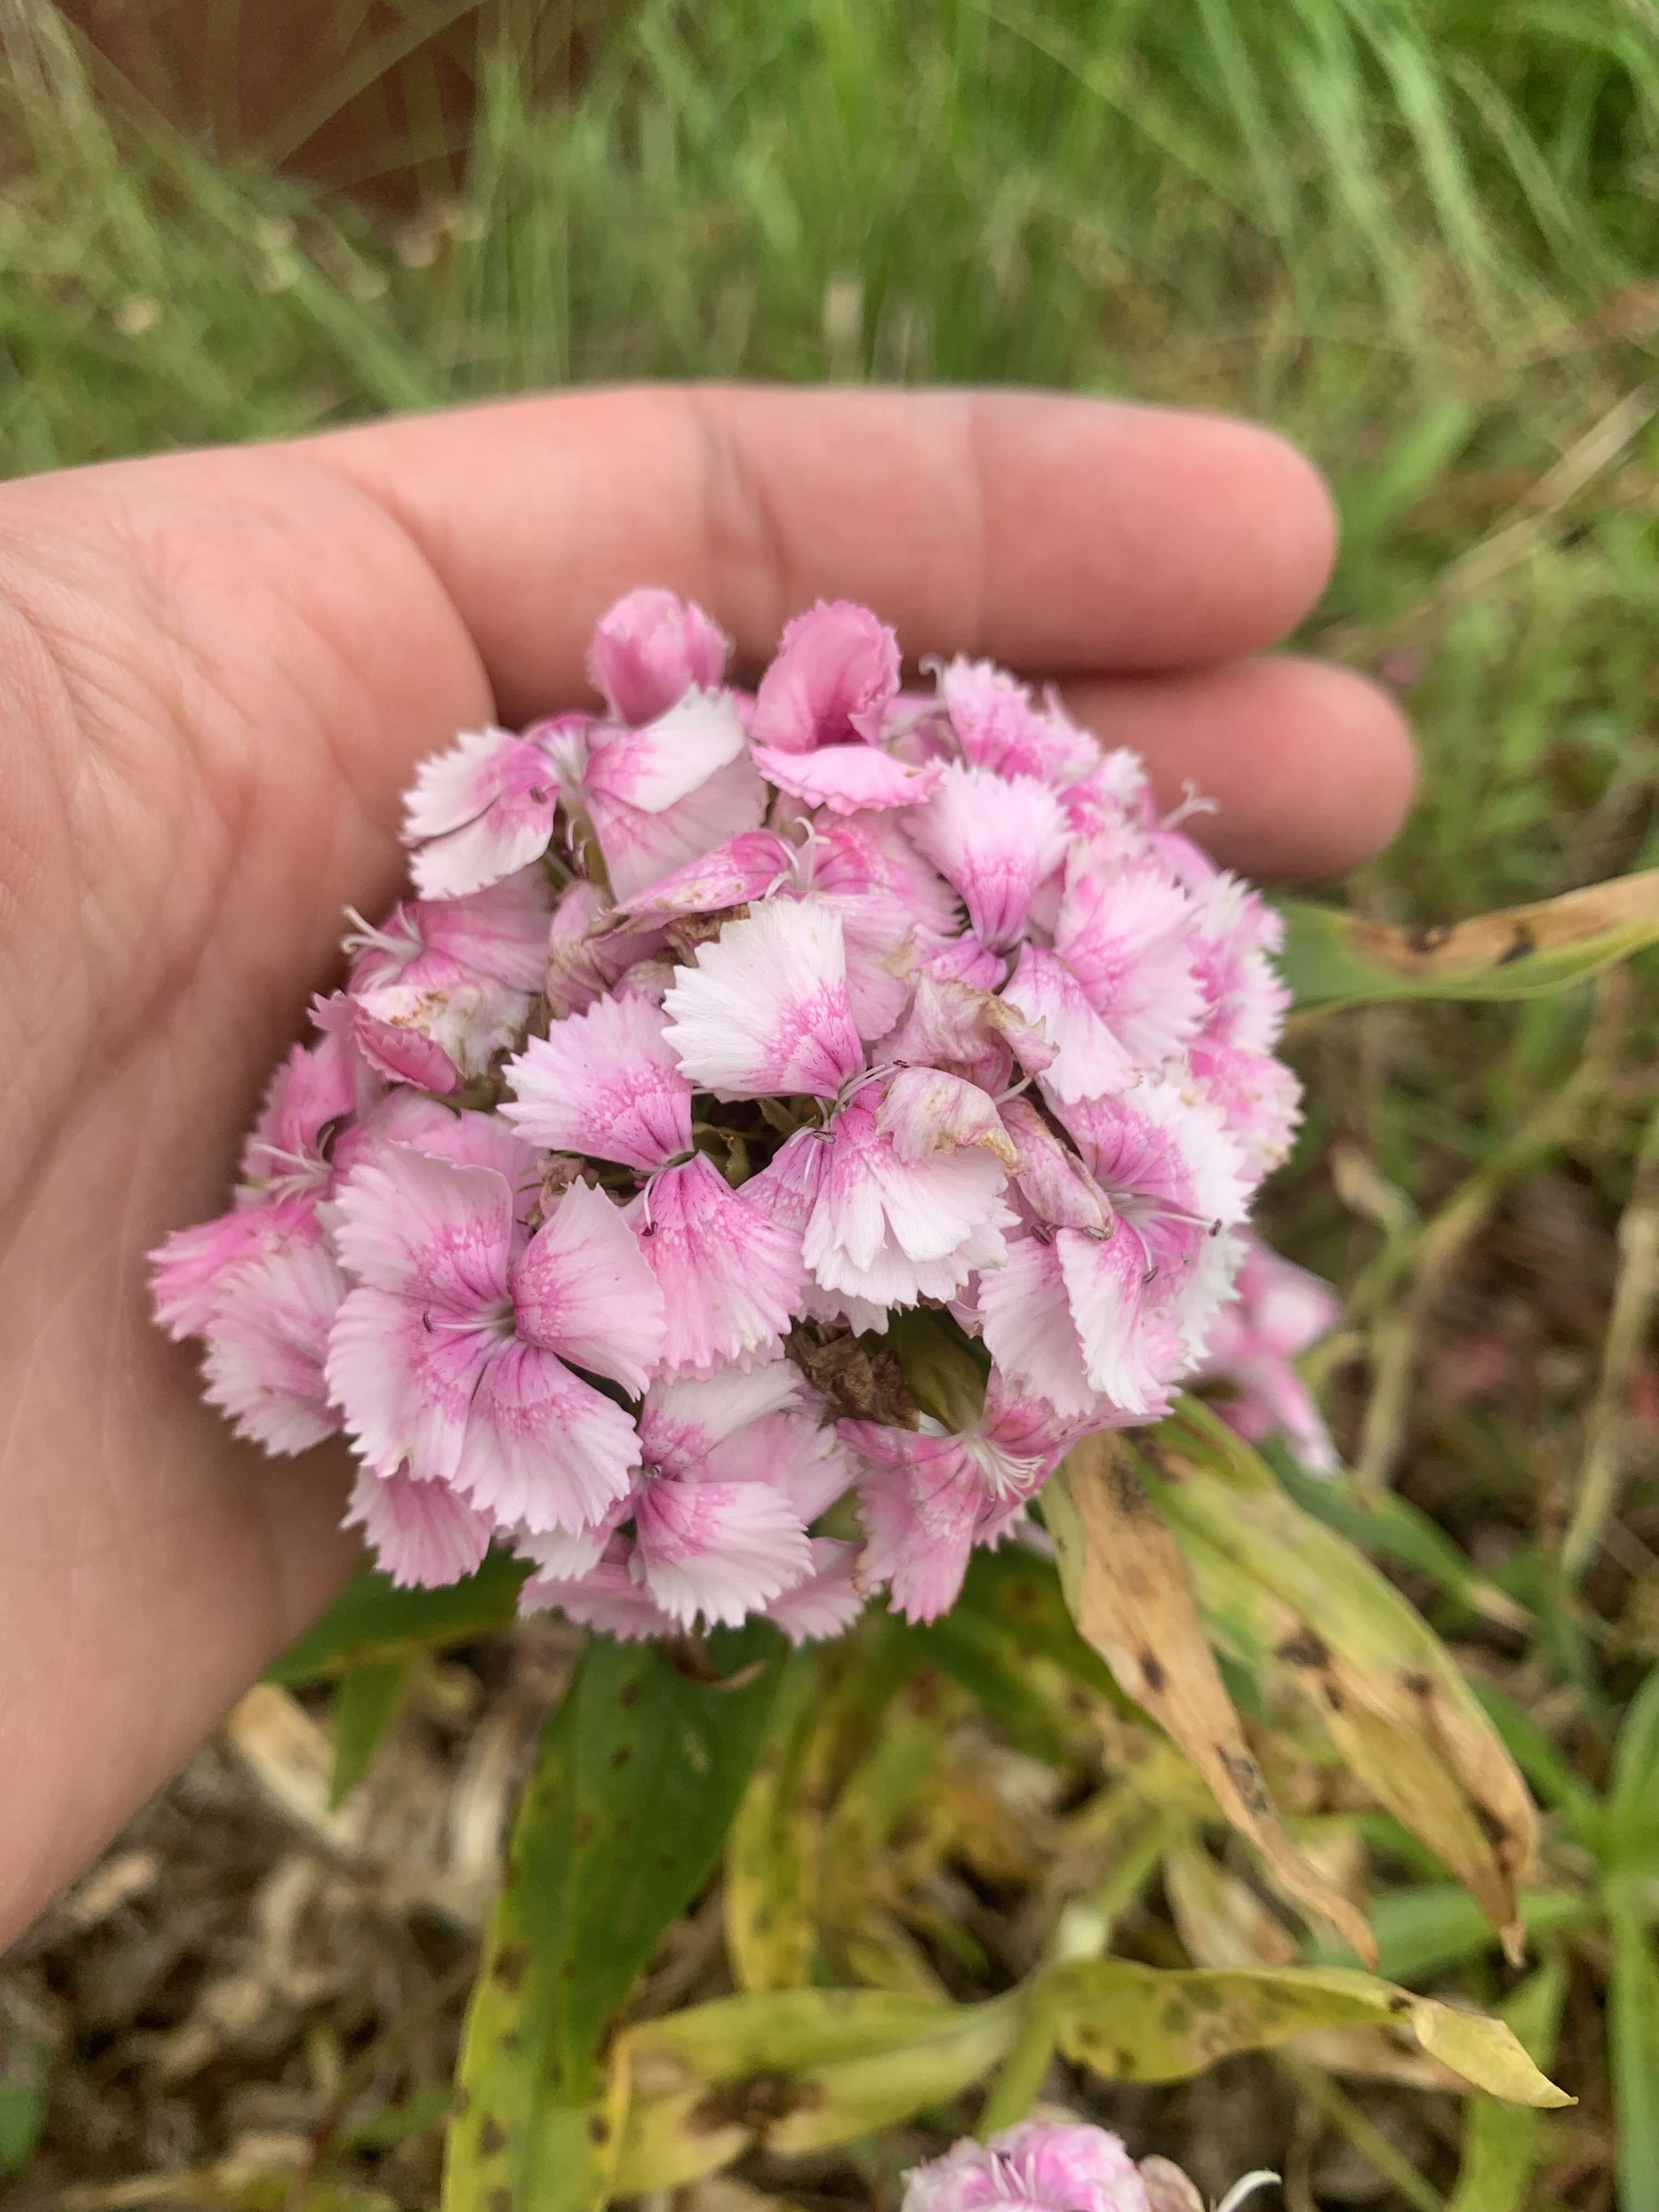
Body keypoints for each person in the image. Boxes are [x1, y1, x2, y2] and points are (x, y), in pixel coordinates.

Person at [0, 384, 1413, 1949]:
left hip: (829, 1181)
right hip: (669, 1159)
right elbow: (561, 1170)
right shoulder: (557, 1124)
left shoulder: (1020, 1004)